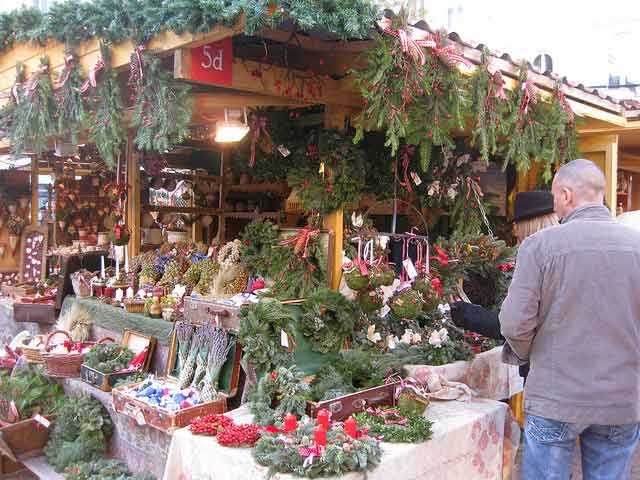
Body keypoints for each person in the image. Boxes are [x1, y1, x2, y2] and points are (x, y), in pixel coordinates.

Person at [500, 159, 640, 480]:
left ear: (565, 195)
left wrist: (528, 355)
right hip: (621, 397)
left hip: (555, 395)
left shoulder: (539, 246)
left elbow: (513, 323)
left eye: (554, 196)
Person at [450, 190, 559, 370]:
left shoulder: (534, 260)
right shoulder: (562, 258)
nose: (514, 231)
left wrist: (468, 314)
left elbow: (516, 324)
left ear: (527, 226)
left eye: (517, 226)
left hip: (544, 370)